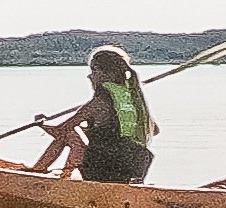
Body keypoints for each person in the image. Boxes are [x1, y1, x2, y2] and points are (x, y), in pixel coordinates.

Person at [35, 43, 158, 184]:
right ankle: (58, 172)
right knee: (81, 133)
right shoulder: (133, 98)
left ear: (107, 74)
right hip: (135, 166)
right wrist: (92, 131)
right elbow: (154, 130)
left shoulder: (98, 103)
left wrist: (42, 124)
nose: (89, 76)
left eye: (94, 70)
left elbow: (61, 130)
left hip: (106, 167)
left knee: (69, 134)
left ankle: (39, 171)